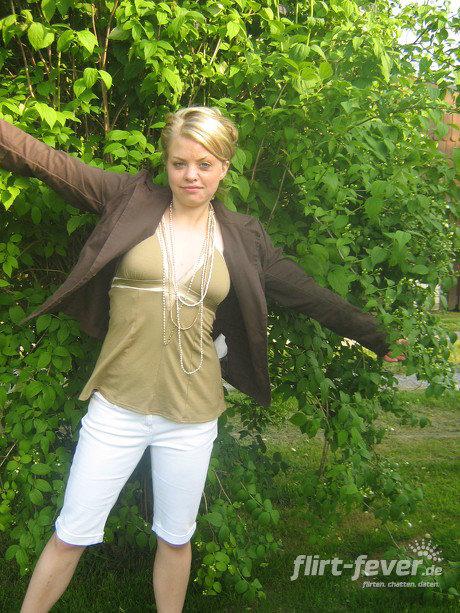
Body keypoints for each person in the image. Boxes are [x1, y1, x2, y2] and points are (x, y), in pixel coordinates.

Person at [0, 106, 408, 613]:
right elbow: (44, 161)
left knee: (175, 539)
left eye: (205, 164)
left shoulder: (243, 237)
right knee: (70, 534)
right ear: (167, 165)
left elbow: (308, 293)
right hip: (117, 408)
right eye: (179, 163)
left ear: (224, 168)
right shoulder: (128, 200)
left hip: (191, 416)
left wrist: (374, 336)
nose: (191, 174)